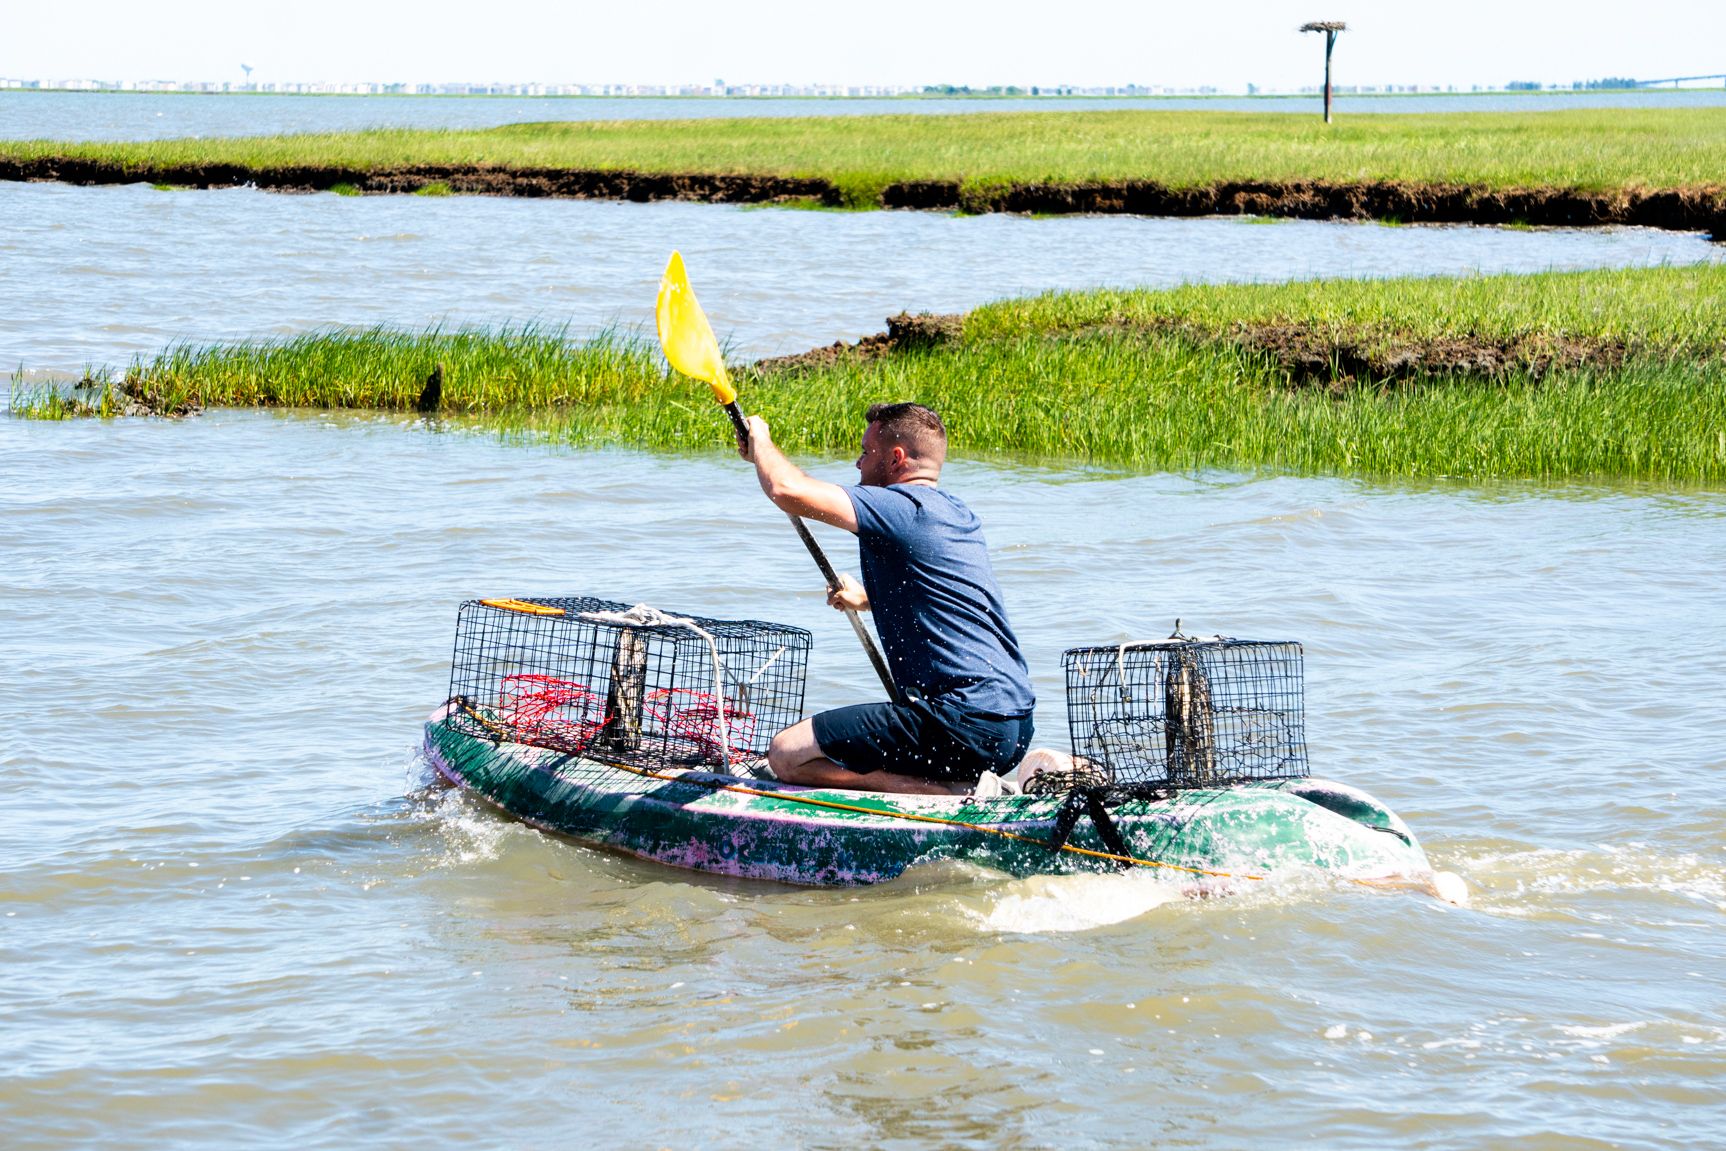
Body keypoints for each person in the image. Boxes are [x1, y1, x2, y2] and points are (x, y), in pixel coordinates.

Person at [740, 401, 1035, 795]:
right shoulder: (954, 512)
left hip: (960, 722)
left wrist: (762, 440)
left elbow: (786, 489)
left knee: (787, 754)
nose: (858, 465)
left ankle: (946, 793)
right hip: (1012, 727)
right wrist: (868, 599)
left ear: (896, 458)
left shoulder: (900, 506)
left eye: (865, 452)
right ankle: (961, 780)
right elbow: (946, 599)